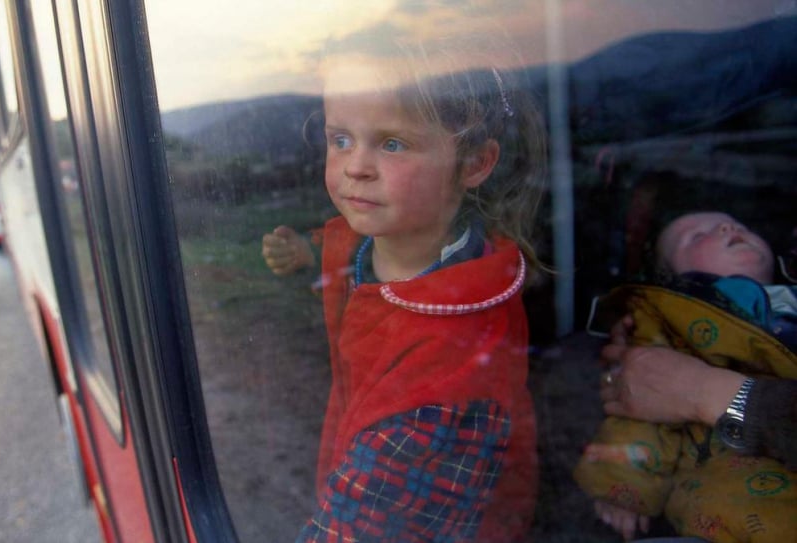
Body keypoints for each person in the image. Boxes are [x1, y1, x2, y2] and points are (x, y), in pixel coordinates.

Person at [261, 30, 547, 542]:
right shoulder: (387, 240)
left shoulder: (446, 385)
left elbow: (364, 527)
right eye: (340, 139)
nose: (355, 166)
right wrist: (307, 253)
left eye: (392, 143)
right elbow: (345, 243)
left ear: (475, 163)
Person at [575, 211, 797, 542]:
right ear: (674, 279)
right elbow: (637, 409)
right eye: (696, 236)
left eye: (741, 224)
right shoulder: (671, 320)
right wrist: (622, 487)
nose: (728, 226)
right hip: (739, 483)